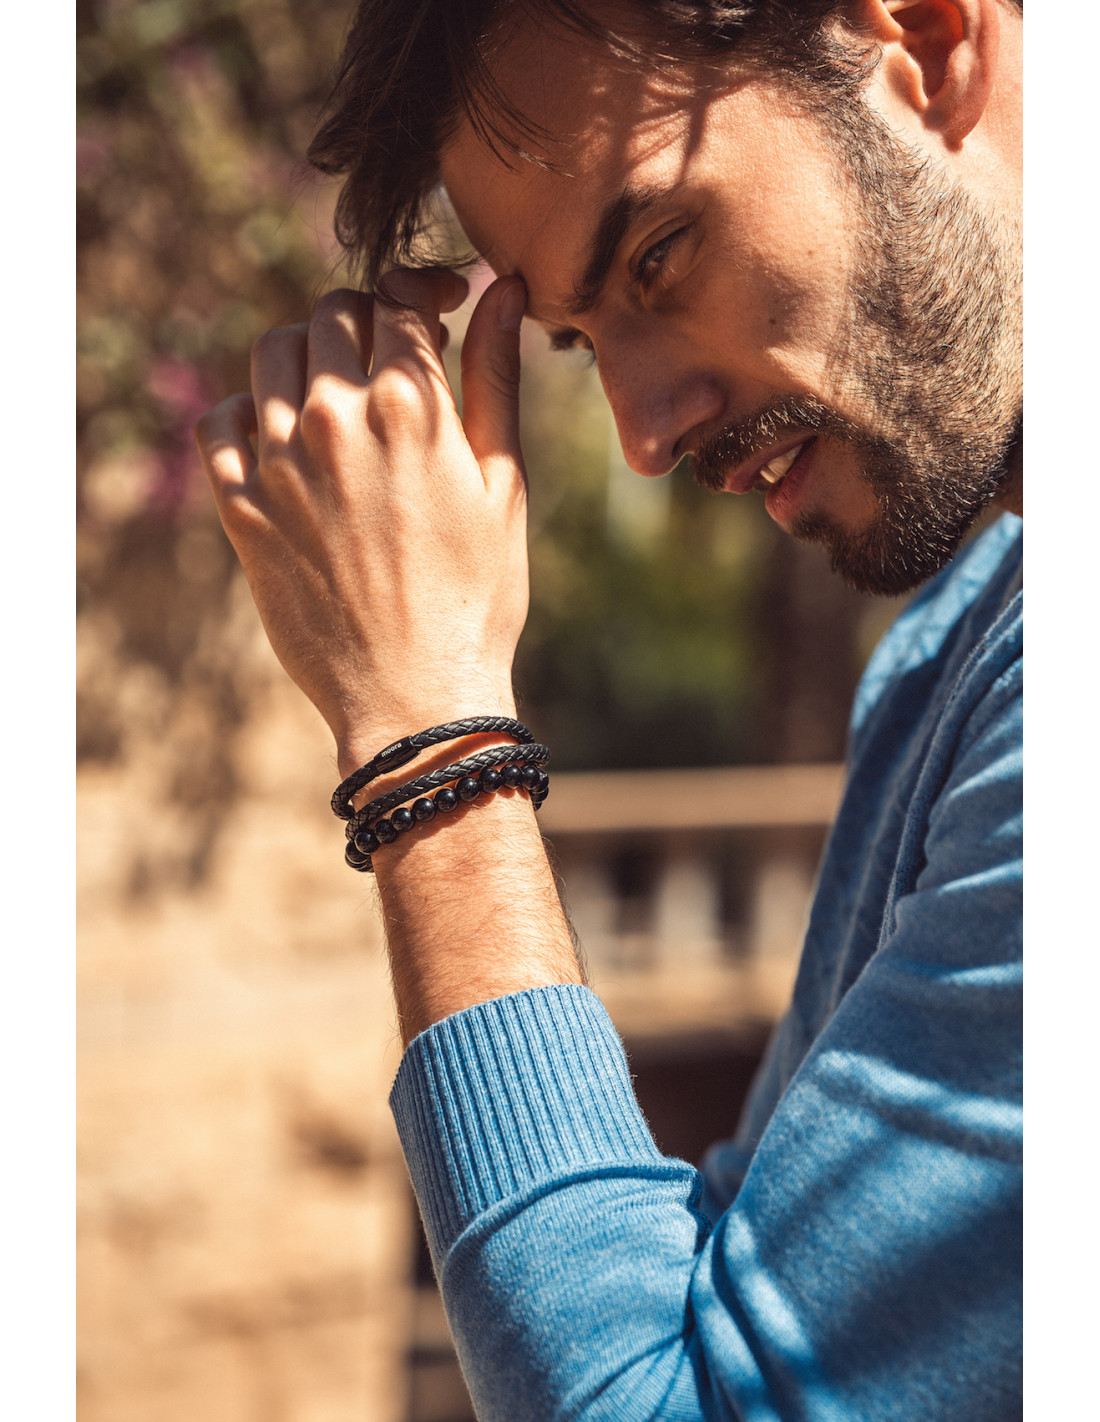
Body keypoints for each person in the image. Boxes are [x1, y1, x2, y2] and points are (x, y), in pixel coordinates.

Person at [195, 0, 1022, 1415]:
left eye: (657, 255)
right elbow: (749, 1296)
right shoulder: (956, 653)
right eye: (579, 342)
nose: (642, 437)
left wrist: (431, 735)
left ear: (930, 44)